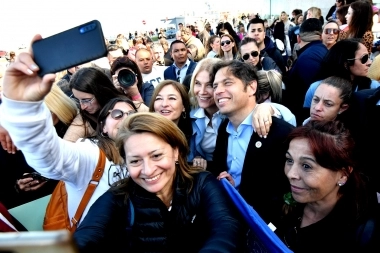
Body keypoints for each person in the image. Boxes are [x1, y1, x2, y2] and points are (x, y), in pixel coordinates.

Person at [0, 35, 140, 228]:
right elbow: (53, 156)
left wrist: (134, 92)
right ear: (103, 127)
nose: (124, 119)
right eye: (116, 115)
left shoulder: (150, 150)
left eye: (130, 114)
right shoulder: (91, 154)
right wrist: (22, 109)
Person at [73, 113, 244, 252]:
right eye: (135, 161)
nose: (148, 170)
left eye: (156, 156)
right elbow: (87, 236)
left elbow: (226, 227)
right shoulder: (118, 197)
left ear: (176, 152)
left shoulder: (201, 184)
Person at [210, 60, 294, 224]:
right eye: (214, 86)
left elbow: (287, 190)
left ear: (251, 87)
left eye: (227, 83)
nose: (218, 91)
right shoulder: (223, 129)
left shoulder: (280, 133)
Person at [276, 120, 379, 252]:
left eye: (307, 166)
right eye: (289, 160)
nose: (291, 174)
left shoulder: (359, 235)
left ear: (343, 175)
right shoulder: (280, 195)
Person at [303, 39, 379, 112]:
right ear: (346, 64)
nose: (370, 62)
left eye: (369, 57)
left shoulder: (373, 87)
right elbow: (307, 119)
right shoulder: (316, 88)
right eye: (364, 58)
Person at [67, 67, 127, 141]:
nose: (82, 107)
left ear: (101, 92)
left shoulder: (130, 107)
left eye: (86, 100)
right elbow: (66, 147)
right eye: (78, 100)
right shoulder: (83, 121)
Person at [149, 80, 192, 146]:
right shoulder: (146, 136)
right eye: (159, 98)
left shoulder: (193, 137)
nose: (164, 104)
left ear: (183, 106)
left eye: (172, 98)